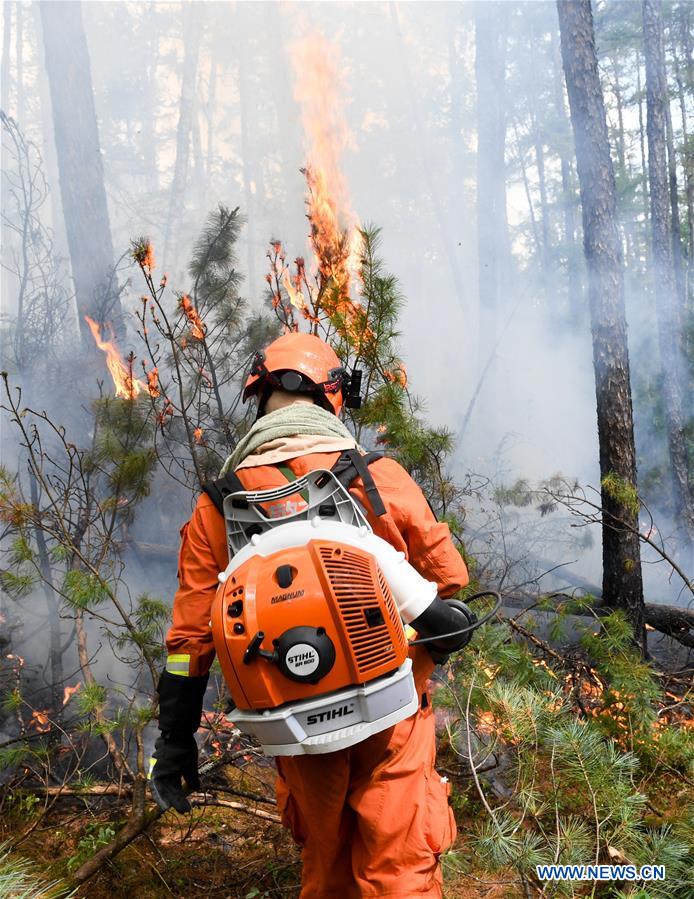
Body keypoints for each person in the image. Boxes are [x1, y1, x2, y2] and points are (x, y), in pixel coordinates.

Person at [151, 332, 470, 898]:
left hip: (293, 723)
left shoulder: (217, 502)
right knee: (399, 866)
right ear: (334, 398)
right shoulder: (378, 477)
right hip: (392, 709)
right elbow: (449, 582)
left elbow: (188, 643)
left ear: (258, 397)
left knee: (326, 866)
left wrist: (176, 741)